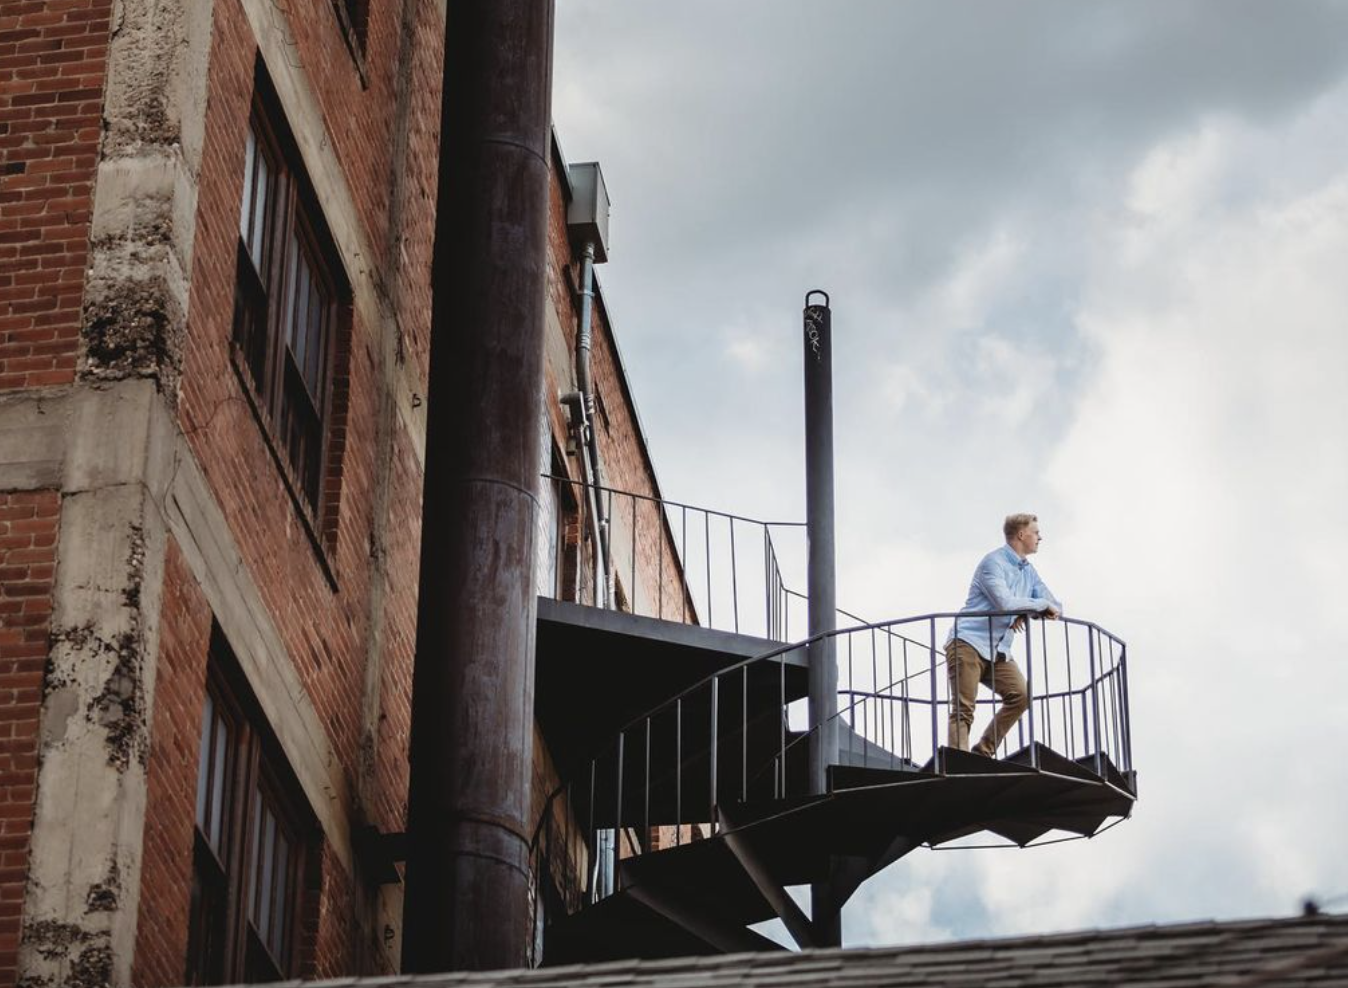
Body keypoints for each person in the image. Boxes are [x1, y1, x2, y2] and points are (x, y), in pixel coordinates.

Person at [945, 513, 1061, 758]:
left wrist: (1028, 610)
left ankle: (982, 752)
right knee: (963, 709)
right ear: (1021, 534)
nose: (1040, 537)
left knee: (1021, 696)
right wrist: (1034, 605)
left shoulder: (1028, 571)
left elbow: (1056, 606)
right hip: (968, 642)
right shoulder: (993, 563)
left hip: (999, 651)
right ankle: (959, 761)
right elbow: (1006, 602)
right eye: (1036, 532)